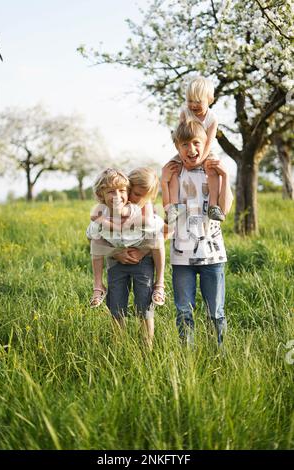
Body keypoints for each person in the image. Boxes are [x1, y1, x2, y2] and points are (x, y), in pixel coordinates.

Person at [161, 120, 233, 346]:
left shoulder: (212, 170)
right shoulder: (173, 172)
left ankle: (218, 356)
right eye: (184, 145)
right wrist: (163, 181)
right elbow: (168, 212)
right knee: (184, 311)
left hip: (212, 255)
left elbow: (223, 210)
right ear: (177, 147)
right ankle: (187, 358)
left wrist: (225, 177)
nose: (191, 149)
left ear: (205, 143)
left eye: (196, 143)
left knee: (216, 312)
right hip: (182, 257)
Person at [87, 168, 165, 348]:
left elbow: (156, 231)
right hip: (116, 263)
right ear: (101, 195)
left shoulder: (139, 209)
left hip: (142, 262)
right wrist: (115, 252)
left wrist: (115, 224)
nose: (118, 195)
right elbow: (91, 238)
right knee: (116, 307)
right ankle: (119, 346)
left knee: (144, 306)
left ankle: (148, 347)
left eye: (122, 191)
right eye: (111, 192)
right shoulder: (101, 212)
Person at [168, 77, 225, 222]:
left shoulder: (212, 118)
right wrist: (183, 158)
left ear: (210, 99)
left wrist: (199, 161)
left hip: (204, 150)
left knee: (212, 168)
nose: (193, 105)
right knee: (172, 169)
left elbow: (209, 143)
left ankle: (213, 206)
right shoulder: (185, 113)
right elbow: (180, 137)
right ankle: (174, 205)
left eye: (198, 101)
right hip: (186, 148)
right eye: (190, 101)